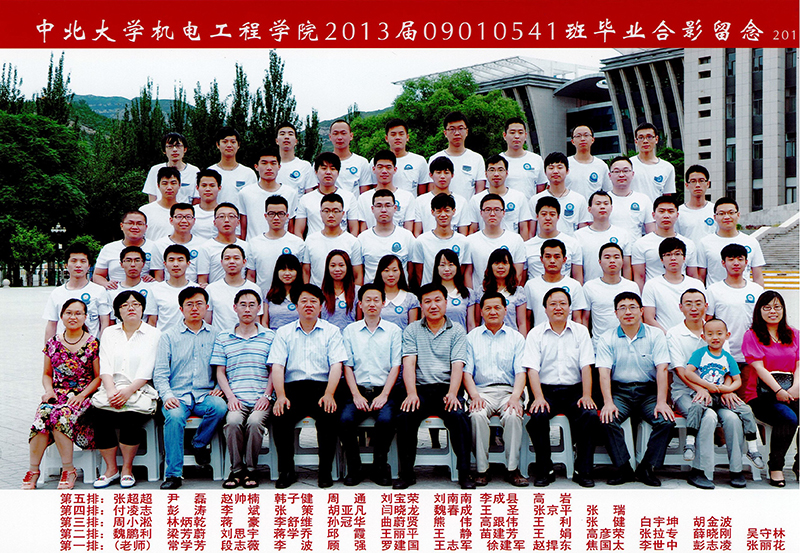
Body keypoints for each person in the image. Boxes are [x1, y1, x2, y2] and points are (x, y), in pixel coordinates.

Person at [393, 283, 476, 490]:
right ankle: (406, 474)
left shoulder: (457, 330)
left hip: (447, 389)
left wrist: (453, 393)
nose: (433, 305)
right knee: (405, 416)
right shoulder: (412, 330)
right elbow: (409, 363)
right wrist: (411, 393)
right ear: (421, 305)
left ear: (446, 303)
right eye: (427, 301)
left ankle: (464, 472)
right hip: (420, 389)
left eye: (438, 300)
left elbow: (458, 364)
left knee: (459, 417)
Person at [267, 284, 349, 488]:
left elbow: (336, 365)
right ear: (296, 306)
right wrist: (280, 395)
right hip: (292, 388)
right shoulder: (284, 332)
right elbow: (277, 366)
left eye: (314, 301)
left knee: (328, 416)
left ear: (321, 306)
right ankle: (286, 471)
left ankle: (325, 471)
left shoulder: (332, 331)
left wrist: (329, 394)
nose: (309, 305)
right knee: (280, 417)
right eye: (304, 301)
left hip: (323, 387)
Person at [666, 289, 745, 490]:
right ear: (681, 307)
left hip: (717, 392)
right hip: (685, 392)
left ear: (706, 306)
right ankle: (699, 470)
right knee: (707, 416)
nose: (694, 308)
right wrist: (700, 388)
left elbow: (728, 366)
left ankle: (736, 470)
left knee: (732, 418)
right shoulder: (674, 333)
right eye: (688, 303)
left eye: (698, 303)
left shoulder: (715, 329)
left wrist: (727, 388)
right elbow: (679, 370)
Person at [597, 292, 675, 487]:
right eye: (622, 308)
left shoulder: (655, 335)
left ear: (641, 311)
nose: (628, 312)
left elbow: (662, 369)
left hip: (648, 392)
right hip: (620, 392)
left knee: (666, 421)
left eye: (632, 307)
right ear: (616, 313)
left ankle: (646, 467)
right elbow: (604, 372)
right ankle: (624, 468)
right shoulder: (607, 337)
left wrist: (661, 401)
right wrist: (608, 402)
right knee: (607, 420)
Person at [523, 288, 599, 487]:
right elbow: (532, 369)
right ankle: (544, 469)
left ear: (569, 307)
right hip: (545, 391)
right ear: (545, 309)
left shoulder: (580, 331)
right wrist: (538, 397)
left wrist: (587, 395)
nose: (558, 308)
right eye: (553, 304)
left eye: (563, 303)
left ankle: (583, 470)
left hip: (575, 390)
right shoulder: (535, 334)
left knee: (590, 415)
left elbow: (586, 366)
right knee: (537, 416)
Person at [154, 287, 228, 490]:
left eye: (199, 304)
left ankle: (199, 443)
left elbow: (224, 367)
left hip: (205, 394)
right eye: (189, 304)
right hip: (177, 395)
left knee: (220, 407)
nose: (194, 308)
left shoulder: (217, 335)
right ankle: (173, 474)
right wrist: (167, 395)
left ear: (206, 307)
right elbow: (160, 373)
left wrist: (218, 387)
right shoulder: (168, 337)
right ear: (181, 309)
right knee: (174, 416)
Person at [23, 299, 100, 490]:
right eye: (68, 313)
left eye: (78, 313)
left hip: (83, 396)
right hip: (57, 394)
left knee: (61, 415)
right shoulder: (53, 343)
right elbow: (46, 374)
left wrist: (82, 395)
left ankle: (68, 469)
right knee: (43, 414)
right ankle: (33, 470)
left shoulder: (93, 343)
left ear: (85, 317)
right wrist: (48, 391)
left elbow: (98, 377)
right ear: (62, 316)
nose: (73, 317)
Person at [681, 318, 764, 487]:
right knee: (697, 406)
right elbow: (688, 372)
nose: (715, 337)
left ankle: (752, 449)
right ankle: (690, 443)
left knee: (744, 411)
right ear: (703, 337)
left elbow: (737, 380)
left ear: (727, 335)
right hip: (706, 394)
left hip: (722, 395)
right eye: (710, 334)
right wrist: (705, 386)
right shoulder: (700, 354)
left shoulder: (728, 357)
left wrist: (727, 389)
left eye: (719, 333)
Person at [93, 291, 161, 489]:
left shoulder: (154, 334)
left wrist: (128, 391)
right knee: (100, 415)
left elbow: (148, 367)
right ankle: (111, 469)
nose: (131, 308)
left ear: (142, 309)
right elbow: (105, 364)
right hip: (111, 388)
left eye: (136, 304)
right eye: (125, 305)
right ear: (118, 311)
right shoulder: (109, 333)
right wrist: (111, 390)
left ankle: (127, 469)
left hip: (139, 389)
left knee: (130, 415)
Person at [339, 284, 403, 486]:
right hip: (357, 390)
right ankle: (354, 468)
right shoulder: (350, 331)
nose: (372, 304)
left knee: (386, 420)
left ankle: (380, 467)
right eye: (367, 300)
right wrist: (356, 395)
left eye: (376, 300)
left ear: (383, 303)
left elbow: (396, 366)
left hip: (385, 390)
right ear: (360, 304)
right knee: (345, 420)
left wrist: (384, 395)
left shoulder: (394, 331)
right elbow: (347, 366)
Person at [462, 292, 528, 487]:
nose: (493, 312)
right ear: (481, 312)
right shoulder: (471, 337)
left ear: (505, 310)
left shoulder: (516, 338)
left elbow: (521, 372)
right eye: (488, 308)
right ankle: (482, 469)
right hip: (481, 391)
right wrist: (474, 396)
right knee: (477, 414)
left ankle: (512, 469)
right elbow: (467, 372)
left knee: (513, 415)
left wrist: (515, 397)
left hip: (509, 391)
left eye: (497, 308)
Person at [211, 289, 275, 489]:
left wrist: (266, 395)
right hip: (236, 398)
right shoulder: (224, 337)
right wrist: (230, 397)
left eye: (252, 305)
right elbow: (220, 372)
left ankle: (251, 469)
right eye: (243, 305)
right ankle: (237, 469)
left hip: (261, 399)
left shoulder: (270, 336)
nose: (247, 309)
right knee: (232, 422)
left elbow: (274, 370)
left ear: (259, 308)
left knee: (255, 422)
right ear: (235, 307)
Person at [742, 291, 799, 487]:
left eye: (777, 307)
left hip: (791, 391)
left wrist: (795, 388)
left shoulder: (794, 334)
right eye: (766, 307)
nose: (772, 311)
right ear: (759, 311)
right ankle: (776, 467)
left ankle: (799, 464)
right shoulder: (752, 335)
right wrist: (779, 391)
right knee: (788, 418)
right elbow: (759, 368)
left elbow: (799, 364)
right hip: (761, 395)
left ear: (783, 309)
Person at [706, 244, 765, 365]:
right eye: (731, 259)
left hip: (752, 354)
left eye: (740, 259)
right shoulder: (713, 290)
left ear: (746, 262)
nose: (736, 263)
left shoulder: (757, 290)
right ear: (723, 263)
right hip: (723, 353)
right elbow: (708, 320)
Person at [43, 243, 111, 342]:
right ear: (66, 265)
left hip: (91, 348)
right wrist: (48, 349)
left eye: (83, 261)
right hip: (63, 348)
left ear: (89, 266)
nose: (78, 265)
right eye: (73, 261)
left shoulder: (99, 291)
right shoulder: (57, 293)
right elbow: (52, 324)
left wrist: (102, 346)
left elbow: (104, 322)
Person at [632, 195, 699, 290]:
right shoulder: (641, 244)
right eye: (661, 211)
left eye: (671, 211)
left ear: (677, 215)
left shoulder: (688, 244)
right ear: (653, 215)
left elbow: (692, 276)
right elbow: (639, 277)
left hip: (682, 294)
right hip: (654, 294)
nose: (666, 216)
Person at [642, 237, 706, 333]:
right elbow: (649, 318)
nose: (673, 258)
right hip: (664, 337)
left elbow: (702, 314)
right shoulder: (652, 285)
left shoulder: (696, 284)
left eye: (677, 254)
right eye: (668, 255)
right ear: (661, 259)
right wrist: (669, 336)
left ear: (684, 258)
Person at [697, 198, 766, 287]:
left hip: (744, 293)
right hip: (715, 294)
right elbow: (701, 277)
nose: (726, 217)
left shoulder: (751, 242)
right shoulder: (705, 243)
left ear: (738, 215)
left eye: (731, 213)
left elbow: (758, 277)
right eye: (721, 213)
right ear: (715, 217)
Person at [582, 243, 639, 347]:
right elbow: (585, 319)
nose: (612, 261)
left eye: (616, 257)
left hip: (628, 345)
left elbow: (638, 317)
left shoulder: (632, 286)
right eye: (607, 257)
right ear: (600, 262)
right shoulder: (589, 287)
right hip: (599, 346)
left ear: (622, 261)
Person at [464, 194, 526, 290]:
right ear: (481, 213)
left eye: (497, 210)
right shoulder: (470, 241)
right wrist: (473, 296)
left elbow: (518, 273)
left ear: (503, 212)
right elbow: (467, 273)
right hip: (480, 295)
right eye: (488, 210)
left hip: (507, 295)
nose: (492, 214)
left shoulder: (515, 239)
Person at [245, 195, 305, 293]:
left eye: (280, 214)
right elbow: (251, 275)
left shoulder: (297, 243)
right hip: (262, 296)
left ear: (287, 216)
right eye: (272, 214)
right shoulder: (254, 243)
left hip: (290, 297)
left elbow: (302, 274)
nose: (276, 218)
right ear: (265, 216)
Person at [302, 193, 363, 286]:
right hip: (316, 293)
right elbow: (306, 272)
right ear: (320, 213)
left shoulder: (352, 241)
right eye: (326, 211)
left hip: (343, 293)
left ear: (343, 214)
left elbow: (357, 275)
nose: (331, 215)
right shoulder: (311, 240)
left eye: (335, 211)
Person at [294, 152, 361, 237]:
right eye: (324, 168)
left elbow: (354, 229)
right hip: (314, 243)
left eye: (332, 169)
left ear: (338, 172)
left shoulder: (349, 197)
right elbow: (298, 231)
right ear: (316, 172)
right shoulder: (306, 199)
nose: (328, 172)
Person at [467, 154, 532, 240]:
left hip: (511, 245)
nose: (496, 174)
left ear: (507, 173)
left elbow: (524, 228)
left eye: (500, 170)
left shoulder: (519, 197)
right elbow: (473, 229)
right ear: (486, 174)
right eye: (492, 170)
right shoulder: (476, 199)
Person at [524, 239, 587, 328]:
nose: (552, 261)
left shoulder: (574, 285)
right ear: (541, 259)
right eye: (548, 256)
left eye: (557, 257)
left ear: (564, 260)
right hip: (540, 335)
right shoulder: (531, 285)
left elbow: (577, 319)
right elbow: (527, 318)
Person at [240, 146, 298, 240]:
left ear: (279, 166)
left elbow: (290, 227)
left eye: (273, 163)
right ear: (256, 167)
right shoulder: (245, 193)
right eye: (264, 163)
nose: (269, 168)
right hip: (254, 246)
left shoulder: (290, 193)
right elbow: (243, 227)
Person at [358, 189, 416, 283]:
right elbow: (358, 273)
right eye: (379, 206)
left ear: (395, 208)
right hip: (372, 290)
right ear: (372, 209)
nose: (383, 210)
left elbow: (411, 270)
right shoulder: (362, 238)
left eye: (388, 205)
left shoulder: (407, 236)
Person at [574, 190, 633, 282]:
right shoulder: (578, 236)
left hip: (617, 287)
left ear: (611, 208)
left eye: (606, 203)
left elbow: (626, 267)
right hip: (589, 287)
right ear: (589, 209)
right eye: (598, 204)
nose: (602, 207)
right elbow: (577, 270)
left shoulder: (622, 234)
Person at [412, 193, 469, 286]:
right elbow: (419, 274)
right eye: (439, 211)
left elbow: (461, 271)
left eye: (447, 211)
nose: (443, 215)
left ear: (454, 211)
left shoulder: (463, 241)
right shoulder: (422, 241)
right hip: (430, 292)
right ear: (432, 212)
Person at [93, 210, 158, 289]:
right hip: (115, 292)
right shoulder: (109, 248)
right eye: (130, 223)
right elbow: (98, 275)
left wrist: (152, 279)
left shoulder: (155, 247)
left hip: (144, 292)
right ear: (121, 226)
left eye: (139, 224)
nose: (135, 227)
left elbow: (161, 276)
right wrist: (106, 284)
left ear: (146, 227)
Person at [530, 152, 591, 237]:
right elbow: (531, 233)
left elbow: (583, 232)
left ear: (567, 171)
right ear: (545, 172)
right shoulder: (535, 200)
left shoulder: (579, 199)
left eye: (560, 167)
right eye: (551, 168)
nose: (555, 171)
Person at [205, 244, 263, 332]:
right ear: (221, 262)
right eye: (227, 258)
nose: (232, 262)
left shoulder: (254, 288)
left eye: (236, 258)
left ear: (244, 262)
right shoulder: (211, 289)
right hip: (220, 338)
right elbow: (207, 322)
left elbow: (257, 320)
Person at [428, 111, 486, 199]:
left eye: (461, 128)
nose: (457, 133)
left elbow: (479, 194)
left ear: (466, 131)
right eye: (452, 129)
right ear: (445, 133)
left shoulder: (477, 159)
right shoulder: (435, 158)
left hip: (468, 207)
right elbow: (431, 191)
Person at [525, 196, 582, 281]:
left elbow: (578, 278)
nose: (548, 218)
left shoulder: (572, 243)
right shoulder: (526, 246)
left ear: (558, 217)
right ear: (537, 216)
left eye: (552, 214)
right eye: (543, 214)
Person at [358, 150, 416, 231]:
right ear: (373, 169)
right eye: (380, 167)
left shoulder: (407, 197)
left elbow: (408, 230)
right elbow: (363, 230)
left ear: (395, 169)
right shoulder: (363, 198)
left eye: (388, 167)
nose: (384, 171)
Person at [474, 248, 527, 334]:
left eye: (505, 263)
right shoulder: (481, 291)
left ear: (510, 266)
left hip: (511, 338)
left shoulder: (518, 291)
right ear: (490, 266)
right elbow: (477, 322)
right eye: (496, 263)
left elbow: (522, 323)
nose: (500, 267)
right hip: (486, 337)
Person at [150, 203, 207, 283]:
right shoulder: (159, 245)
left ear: (194, 220)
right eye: (179, 217)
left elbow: (203, 278)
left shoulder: (203, 245)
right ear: (171, 220)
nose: (184, 221)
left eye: (188, 217)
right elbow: (159, 278)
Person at [413, 157, 469, 236]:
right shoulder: (420, 201)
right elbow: (417, 233)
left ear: (452, 175)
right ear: (431, 175)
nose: (442, 176)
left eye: (446, 173)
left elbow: (463, 234)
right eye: (438, 172)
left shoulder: (461, 202)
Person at [144, 245, 195, 331]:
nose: (176, 264)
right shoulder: (155, 290)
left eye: (180, 260)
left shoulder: (196, 289)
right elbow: (152, 323)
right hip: (163, 337)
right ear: (165, 264)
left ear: (188, 263)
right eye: (171, 260)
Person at [196, 203, 249, 285]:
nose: (226, 220)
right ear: (214, 222)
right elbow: (202, 281)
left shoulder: (246, 247)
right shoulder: (206, 248)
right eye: (221, 216)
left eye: (231, 216)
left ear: (238, 222)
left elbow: (250, 276)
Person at [142, 132, 200, 203]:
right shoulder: (155, 170)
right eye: (170, 146)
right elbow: (152, 199)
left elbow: (197, 199)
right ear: (164, 150)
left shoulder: (194, 171)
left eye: (178, 146)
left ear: (185, 149)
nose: (175, 150)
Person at [207, 126, 258, 207]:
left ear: (238, 145)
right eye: (225, 142)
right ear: (218, 145)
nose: (229, 145)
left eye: (233, 142)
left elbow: (253, 201)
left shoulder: (248, 174)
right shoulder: (210, 172)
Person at [606, 156, 655, 238]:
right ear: (610, 175)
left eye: (625, 171)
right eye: (617, 171)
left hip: (635, 245)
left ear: (632, 174)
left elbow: (651, 233)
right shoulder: (603, 200)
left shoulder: (643, 199)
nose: (621, 175)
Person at [383, 118, 431, 196]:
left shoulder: (419, 161)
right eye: (393, 134)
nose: (397, 137)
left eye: (401, 134)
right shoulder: (377, 162)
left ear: (407, 137)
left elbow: (422, 194)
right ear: (386, 138)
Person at [500, 117, 546, 198]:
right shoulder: (498, 161)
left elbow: (540, 190)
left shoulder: (536, 159)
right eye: (512, 132)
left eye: (520, 132)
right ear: (504, 135)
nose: (516, 136)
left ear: (525, 136)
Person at [629, 122, 676, 201]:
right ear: (636, 141)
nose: (645, 141)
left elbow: (667, 197)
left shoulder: (667, 167)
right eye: (641, 137)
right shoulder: (628, 165)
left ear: (656, 139)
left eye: (649, 137)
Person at [106, 246, 154, 323]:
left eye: (137, 260)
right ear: (121, 264)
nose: (133, 264)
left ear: (143, 264)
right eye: (128, 260)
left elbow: (152, 319)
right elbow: (112, 321)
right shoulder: (113, 291)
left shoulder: (152, 288)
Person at [565, 125, 612, 201]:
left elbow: (608, 191)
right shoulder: (565, 164)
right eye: (578, 136)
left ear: (592, 139)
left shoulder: (601, 165)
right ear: (572, 141)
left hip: (593, 208)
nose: (582, 139)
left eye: (586, 135)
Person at [373, 254, 419, 331]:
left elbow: (412, 330)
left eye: (395, 270)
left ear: (401, 272)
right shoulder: (373, 297)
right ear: (380, 272)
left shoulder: (410, 298)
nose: (391, 274)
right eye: (386, 270)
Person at [675, 164, 717, 248]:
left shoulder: (715, 210)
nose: (697, 185)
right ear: (687, 185)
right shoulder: (678, 212)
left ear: (708, 184)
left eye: (701, 181)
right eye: (693, 181)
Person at [329, 119, 374, 196]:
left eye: (343, 133)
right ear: (330, 137)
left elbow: (365, 195)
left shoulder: (362, 162)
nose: (339, 137)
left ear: (351, 136)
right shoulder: (321, 163)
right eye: (335, 133)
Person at [431, 249, 472, 331]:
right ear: (437, 267)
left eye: (451, 265)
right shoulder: (429, 292)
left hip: (460, 338)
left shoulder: (468, 293)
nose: (447, 269)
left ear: (457, 267)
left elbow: (471, 324)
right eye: (442, 265)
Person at [263, 253, 304, 330]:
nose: (287, 273)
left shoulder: (304, 294)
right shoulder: (268, 294)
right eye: (283, 269)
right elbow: (264, 323)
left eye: (291, 269)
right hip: (274, 336)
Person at [320, 250, 359, 330]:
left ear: (347, 267)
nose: (337, 269)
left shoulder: (357, 291)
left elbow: (360, 321)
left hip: (350, 336)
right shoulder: (320, 293)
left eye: (341, 265)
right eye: (333, 266)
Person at [140, 167, 181, 241]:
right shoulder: (145, 211)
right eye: (165, 183)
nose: (169, 187)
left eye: (173, 183)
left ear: (179, 185)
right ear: (158, 186)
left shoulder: (186, 211)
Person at [275, 122, 317, 195]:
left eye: (290, 134)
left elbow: (310, 194)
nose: (286, 137)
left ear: (296, 141)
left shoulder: (305, 166)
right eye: (282, 134)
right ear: (277, 141)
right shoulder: (270, 167)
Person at [193, 169, 224, 241]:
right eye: (204, 186)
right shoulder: (190, 212)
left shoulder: (226, 213)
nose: (207, 189)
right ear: (197, 188)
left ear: (219, 188)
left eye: (212, 186)